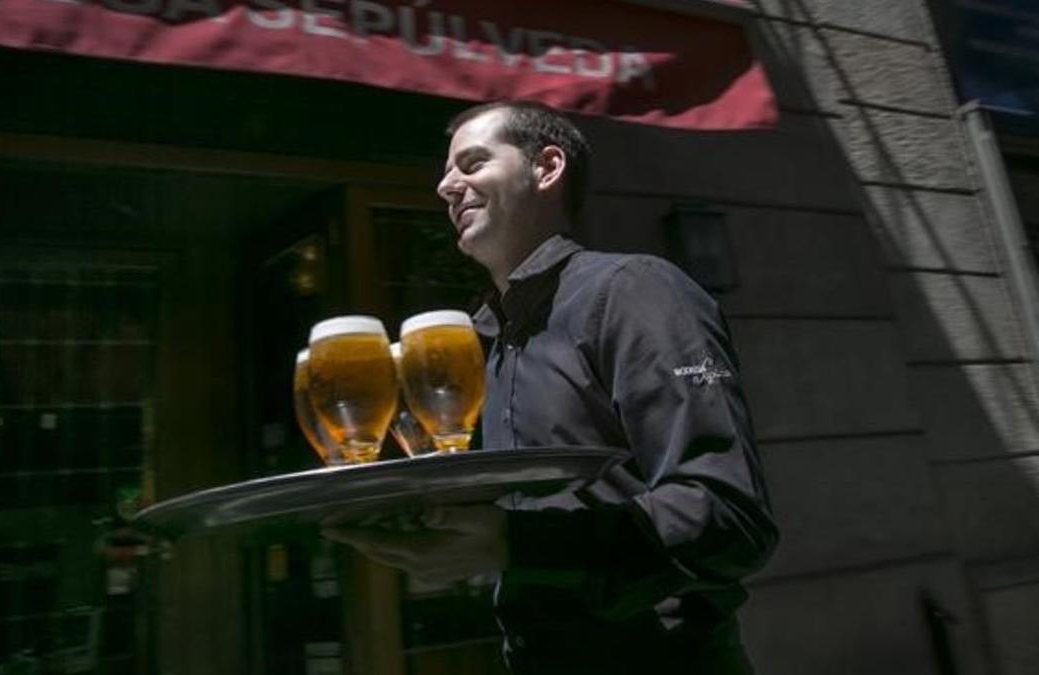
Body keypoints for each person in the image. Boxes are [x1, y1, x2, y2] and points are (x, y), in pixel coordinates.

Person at [323, 101, 777, 674]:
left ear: (547, 167)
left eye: (472, 163)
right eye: (446, 171)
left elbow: (730, 520)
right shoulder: (483, 342)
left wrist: (508, 543)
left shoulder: (632, 290)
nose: (445, 186)